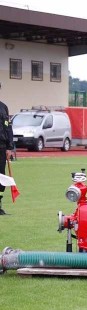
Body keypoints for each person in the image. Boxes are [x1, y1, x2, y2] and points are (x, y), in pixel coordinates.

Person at [0, 82, 14, 215]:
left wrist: (10, 147)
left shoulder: (3, 107)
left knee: (1, 176)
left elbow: (8, 128)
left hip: (2, 147)